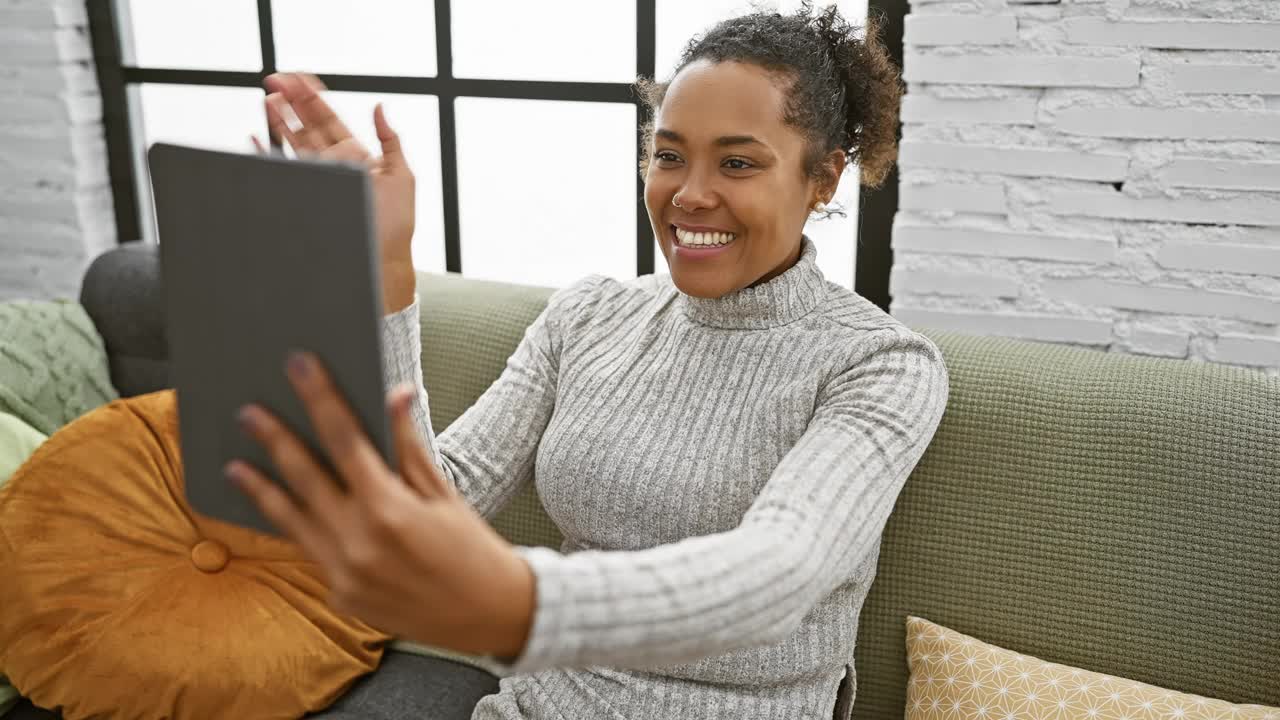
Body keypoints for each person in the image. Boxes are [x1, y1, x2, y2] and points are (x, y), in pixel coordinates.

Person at [227, 4, 951, 719]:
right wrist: (384, 262)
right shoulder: (590, 316)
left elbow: (781, 570)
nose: (690, 195)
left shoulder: (880, 364)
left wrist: (519, 604)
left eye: (737, 162)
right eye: (669, 156)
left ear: (824, 178)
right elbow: (437, 496)